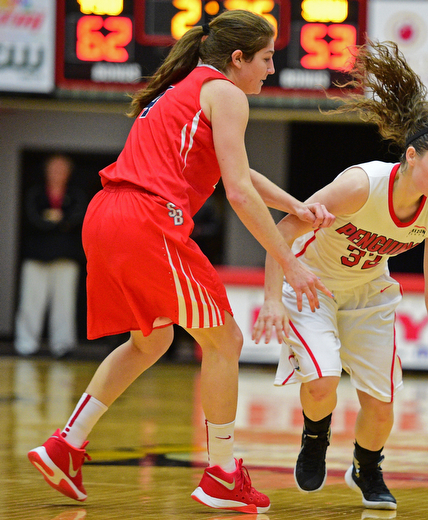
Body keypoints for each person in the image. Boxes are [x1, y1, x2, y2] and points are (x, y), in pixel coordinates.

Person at [28, 10, 334, 515]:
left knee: (152, 339)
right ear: (238, 59)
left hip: (106, 215)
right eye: (265, 58)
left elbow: (239, 170)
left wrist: (295, 207)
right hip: (148, 217)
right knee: (226, 339)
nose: (272, 68)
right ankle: (222, 474)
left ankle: (66, 444)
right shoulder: (227, 94)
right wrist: (289, 260)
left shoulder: (187, 89)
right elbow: (236, 190)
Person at [252, 40, 428, 511]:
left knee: (382, 405)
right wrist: (272, 297)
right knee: (323, 381)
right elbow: (284, 229)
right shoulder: (360, 186)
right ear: (411, 157)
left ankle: (366, 469)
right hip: (313, 286)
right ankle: (315, 437)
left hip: (370, 295)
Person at [15, 153, 87, 358]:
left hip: (66, 257)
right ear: (46, 171)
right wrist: (58, 221)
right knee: (31, 302)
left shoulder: (75, 195)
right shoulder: (35, 193)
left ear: (69, 173)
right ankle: (25, 345)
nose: (57, 173)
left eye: (62, 169)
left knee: (64, 304)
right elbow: (32, 219)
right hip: (36, 257)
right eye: (54, 168)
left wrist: (56, 220)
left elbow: (77, 220)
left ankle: (62, 346)